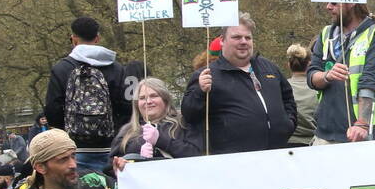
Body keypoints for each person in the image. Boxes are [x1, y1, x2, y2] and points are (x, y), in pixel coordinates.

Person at [183, 14, 297, 154]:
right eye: (236, 37)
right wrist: (200, 93)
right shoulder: (207, 75)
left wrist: (288, 123)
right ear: (222, 41)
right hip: (234, 160)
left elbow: (288, 98)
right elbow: (189, 115)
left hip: (277, 154)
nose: (243, 42)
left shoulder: (268, 67)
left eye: (248, 37)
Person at [44, 16, 131, 175]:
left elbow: (52, 110)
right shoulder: (118, 69)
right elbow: (128, 107)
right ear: (97, 38)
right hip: (112, 148)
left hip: (74, 149)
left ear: (74, 39)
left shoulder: (61, 68)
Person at [307, 2, 375, 143]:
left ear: (351, 2)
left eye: (334, 3)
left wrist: (362, 123)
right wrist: (326, 76)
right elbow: (311, 76)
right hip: (324, 134)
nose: (328, 7)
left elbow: (370, 79)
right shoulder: (326, 34)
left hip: (361, 134)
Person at [112, 77, 198, 167]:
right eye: (142, 98)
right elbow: (111, 165)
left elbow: (196, 155)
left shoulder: (183, 123)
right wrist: (123, 164)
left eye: (154, 96)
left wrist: (160, 140)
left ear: (165, 99)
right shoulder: (127, 130)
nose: (148, 101)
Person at [285, 44, 317, 147]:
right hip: (313, 143)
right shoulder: (318, 89)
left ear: (289, 65)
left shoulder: (281, 88)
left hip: (287, 143)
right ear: (309, 64)